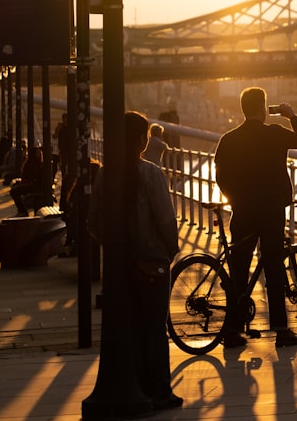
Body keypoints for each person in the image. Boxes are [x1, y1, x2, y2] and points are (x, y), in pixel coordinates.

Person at [89, 111, 182, 410]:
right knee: (155, 328)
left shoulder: (104, 174)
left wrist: (113, 247)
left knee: (129, 327)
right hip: (152, 261)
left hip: (120, 266)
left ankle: (136, 383)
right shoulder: (152, 174)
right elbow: (166, 220)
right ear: (143, 141)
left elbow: (93, 222)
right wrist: (171, 249)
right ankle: (160, 391)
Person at [213, 87, 297, 348]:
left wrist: (234, 197)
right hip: (271, 211)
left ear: (243, 108)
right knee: (273, 267)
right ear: (263, 108)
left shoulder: (229, 139)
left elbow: (220, 175)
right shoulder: (274, 134)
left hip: (242, 211)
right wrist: (291, 115)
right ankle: (281, 331)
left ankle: (233, 331)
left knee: (239, 269)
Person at [9, 146, 51, 216]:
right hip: (35, 185)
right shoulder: (35, 163)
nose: (39, 154)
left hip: (35, 186)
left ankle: (22, 211)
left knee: (14, 191)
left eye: (40, 153)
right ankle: (22, 211)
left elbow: (32, 177)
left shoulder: (33, 163)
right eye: (38, 153)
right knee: (15, 190)